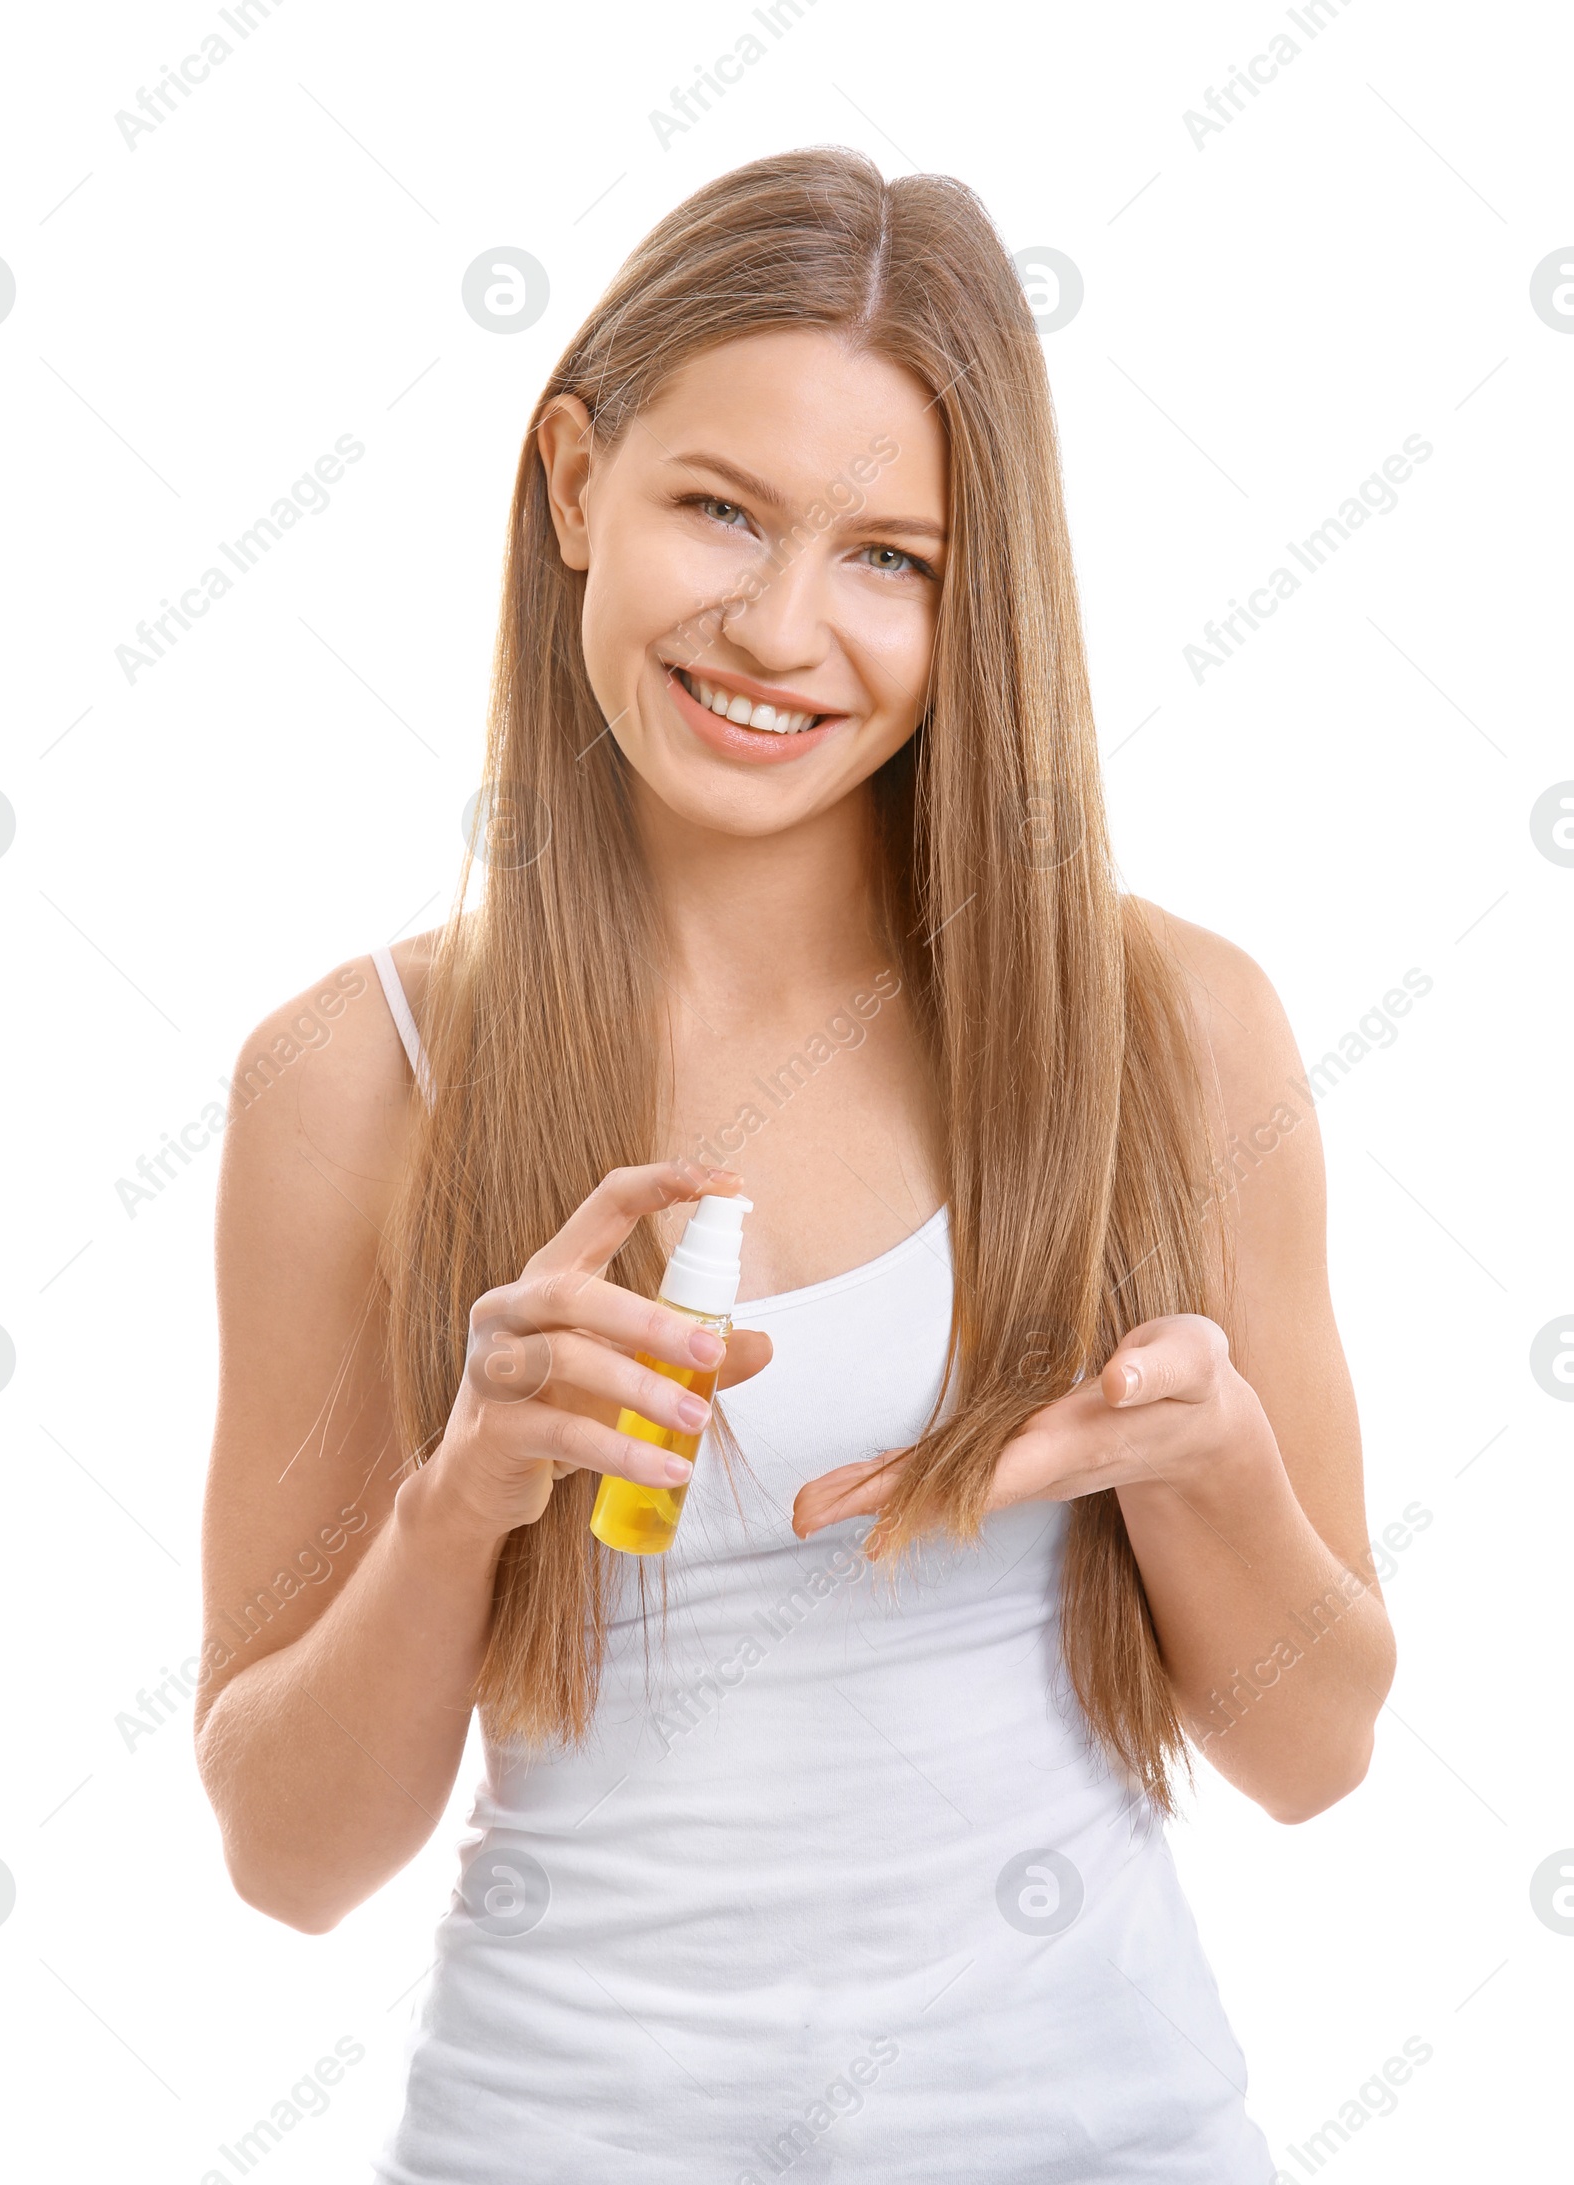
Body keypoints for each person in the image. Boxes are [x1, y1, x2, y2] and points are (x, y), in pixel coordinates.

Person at [195, 146, 1396, 2181]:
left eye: (888, 559)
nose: (779, 628)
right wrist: (463, 1495)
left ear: (975, 597)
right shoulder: (354, 1077)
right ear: (575, 483)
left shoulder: (1165, 1031)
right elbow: (289, 1862)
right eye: (720, 509)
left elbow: (1315, 1749)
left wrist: (1200, 1466)